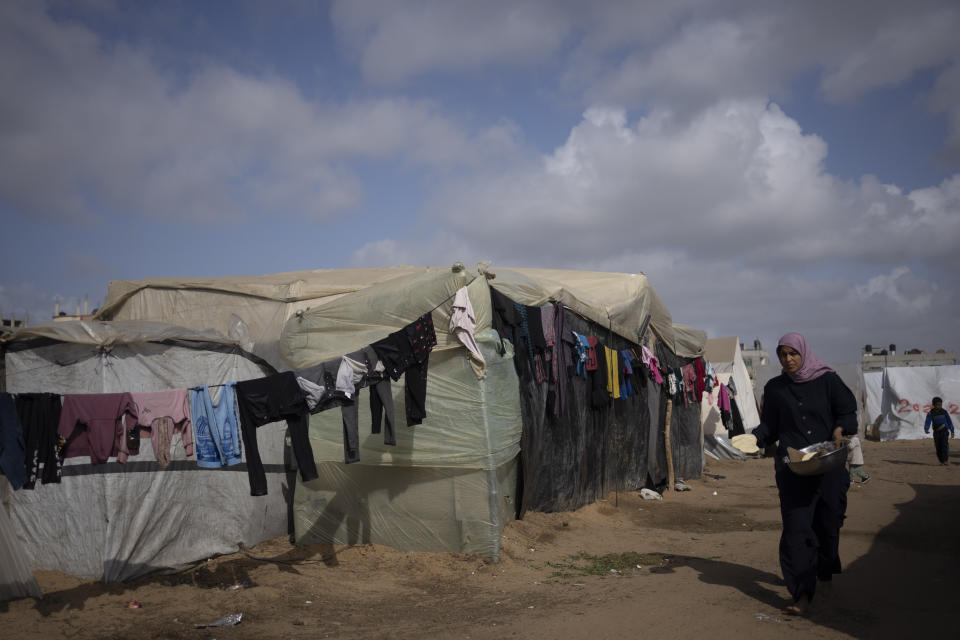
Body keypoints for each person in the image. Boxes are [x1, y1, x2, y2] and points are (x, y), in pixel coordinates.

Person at [751, 333, 858, 616]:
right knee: (797, 530)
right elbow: (770, 426)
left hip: (829, 465)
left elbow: (847, 411)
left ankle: (825, 571)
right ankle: (802, 594)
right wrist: (755, 438)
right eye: (783, 355)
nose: (788, 360)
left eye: (793, 353)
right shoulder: (775, 388)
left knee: (828, 523)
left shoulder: (828, 380)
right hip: (792, 467)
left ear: (804, 353)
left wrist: (840, 429)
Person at [923, 397, 954, 466]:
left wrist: (952, 430)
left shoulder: (944, 412)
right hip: (936, 432)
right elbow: (928, 421)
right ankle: (941, 461)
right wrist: (926, 428)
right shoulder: (931, 413)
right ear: (933, 405)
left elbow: (949, 421)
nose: (939, 406)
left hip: (944, 431)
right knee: (938, 446)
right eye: (937, 405)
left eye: (940, 405)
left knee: (944, 445)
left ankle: (945, 460)